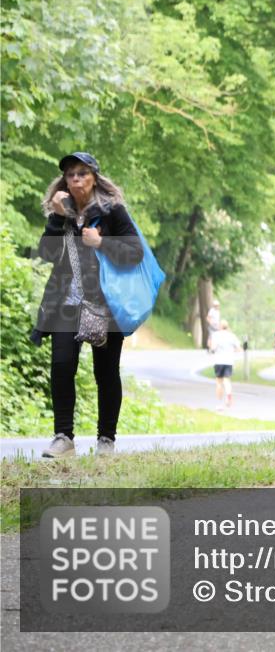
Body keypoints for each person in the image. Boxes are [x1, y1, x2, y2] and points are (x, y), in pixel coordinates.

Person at [31, 152, 143, 458]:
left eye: (82, 173)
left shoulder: (112, 211)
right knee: (61, 366)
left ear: (94, 176)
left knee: (106, 372)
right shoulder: (61, 212)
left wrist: (101, 242)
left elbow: (135, 253)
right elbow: (46, 254)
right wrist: (56, 217)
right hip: (67, 304)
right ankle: (63, 437)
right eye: (70, 175)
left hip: (106, 306)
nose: (76, 179)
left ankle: (106, 439)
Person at [209, 320, 241, 409]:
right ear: (227, 327)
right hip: (229, 361)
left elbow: (213, 348)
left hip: (219, 361)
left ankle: (219, 404)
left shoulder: (215, 335)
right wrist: (231, 351)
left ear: (220, 326)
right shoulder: (232, 336)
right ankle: (229, 396)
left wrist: (212, 351)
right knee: (227, 380)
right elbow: (239, 348)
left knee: (219, 383)